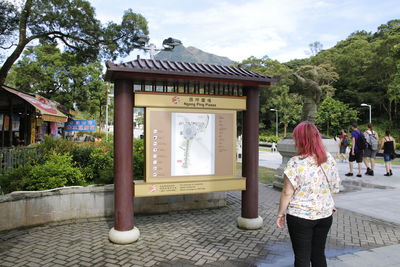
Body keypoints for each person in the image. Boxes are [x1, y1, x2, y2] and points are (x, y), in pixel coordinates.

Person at [276, 121, 340, 267]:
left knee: (302, 257)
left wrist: (280, 213)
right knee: (318, 254)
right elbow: (335, 186)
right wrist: (326, 202)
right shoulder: (328, 159)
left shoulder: (295, 162)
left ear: (299, 139)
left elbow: (287, 192)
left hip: (300, 216)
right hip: (324, 215)